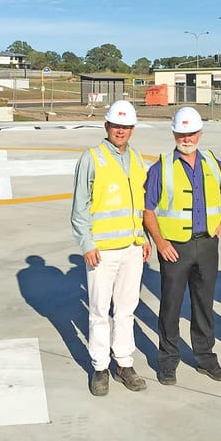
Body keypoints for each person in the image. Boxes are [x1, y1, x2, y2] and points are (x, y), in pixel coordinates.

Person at [142, 106, 221, 386]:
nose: (187, 138)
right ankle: (168, 361)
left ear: (200, 134)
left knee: (204, 305)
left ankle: (206, 358)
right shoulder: (161, 167)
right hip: (175, 249)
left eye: (192, 133)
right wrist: (160, 242)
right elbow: (147, 209)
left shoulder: (213, 163)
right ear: (174, 134)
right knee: (171, 306)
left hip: (207, 245)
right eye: (182, 133)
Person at [71, 99, 151, 397]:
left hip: (132, 248)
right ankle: (100, 367)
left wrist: (143, 238)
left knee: (127, 310)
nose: (121, 131)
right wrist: (86, 243)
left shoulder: (137, 159)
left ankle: (124, 364)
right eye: (116, 125)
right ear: (106, 126)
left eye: (126, 126)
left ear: (132, 129)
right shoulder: (92, 158)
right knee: (99, 311)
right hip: (102, 251)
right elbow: (79, 207)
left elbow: (140, 205)